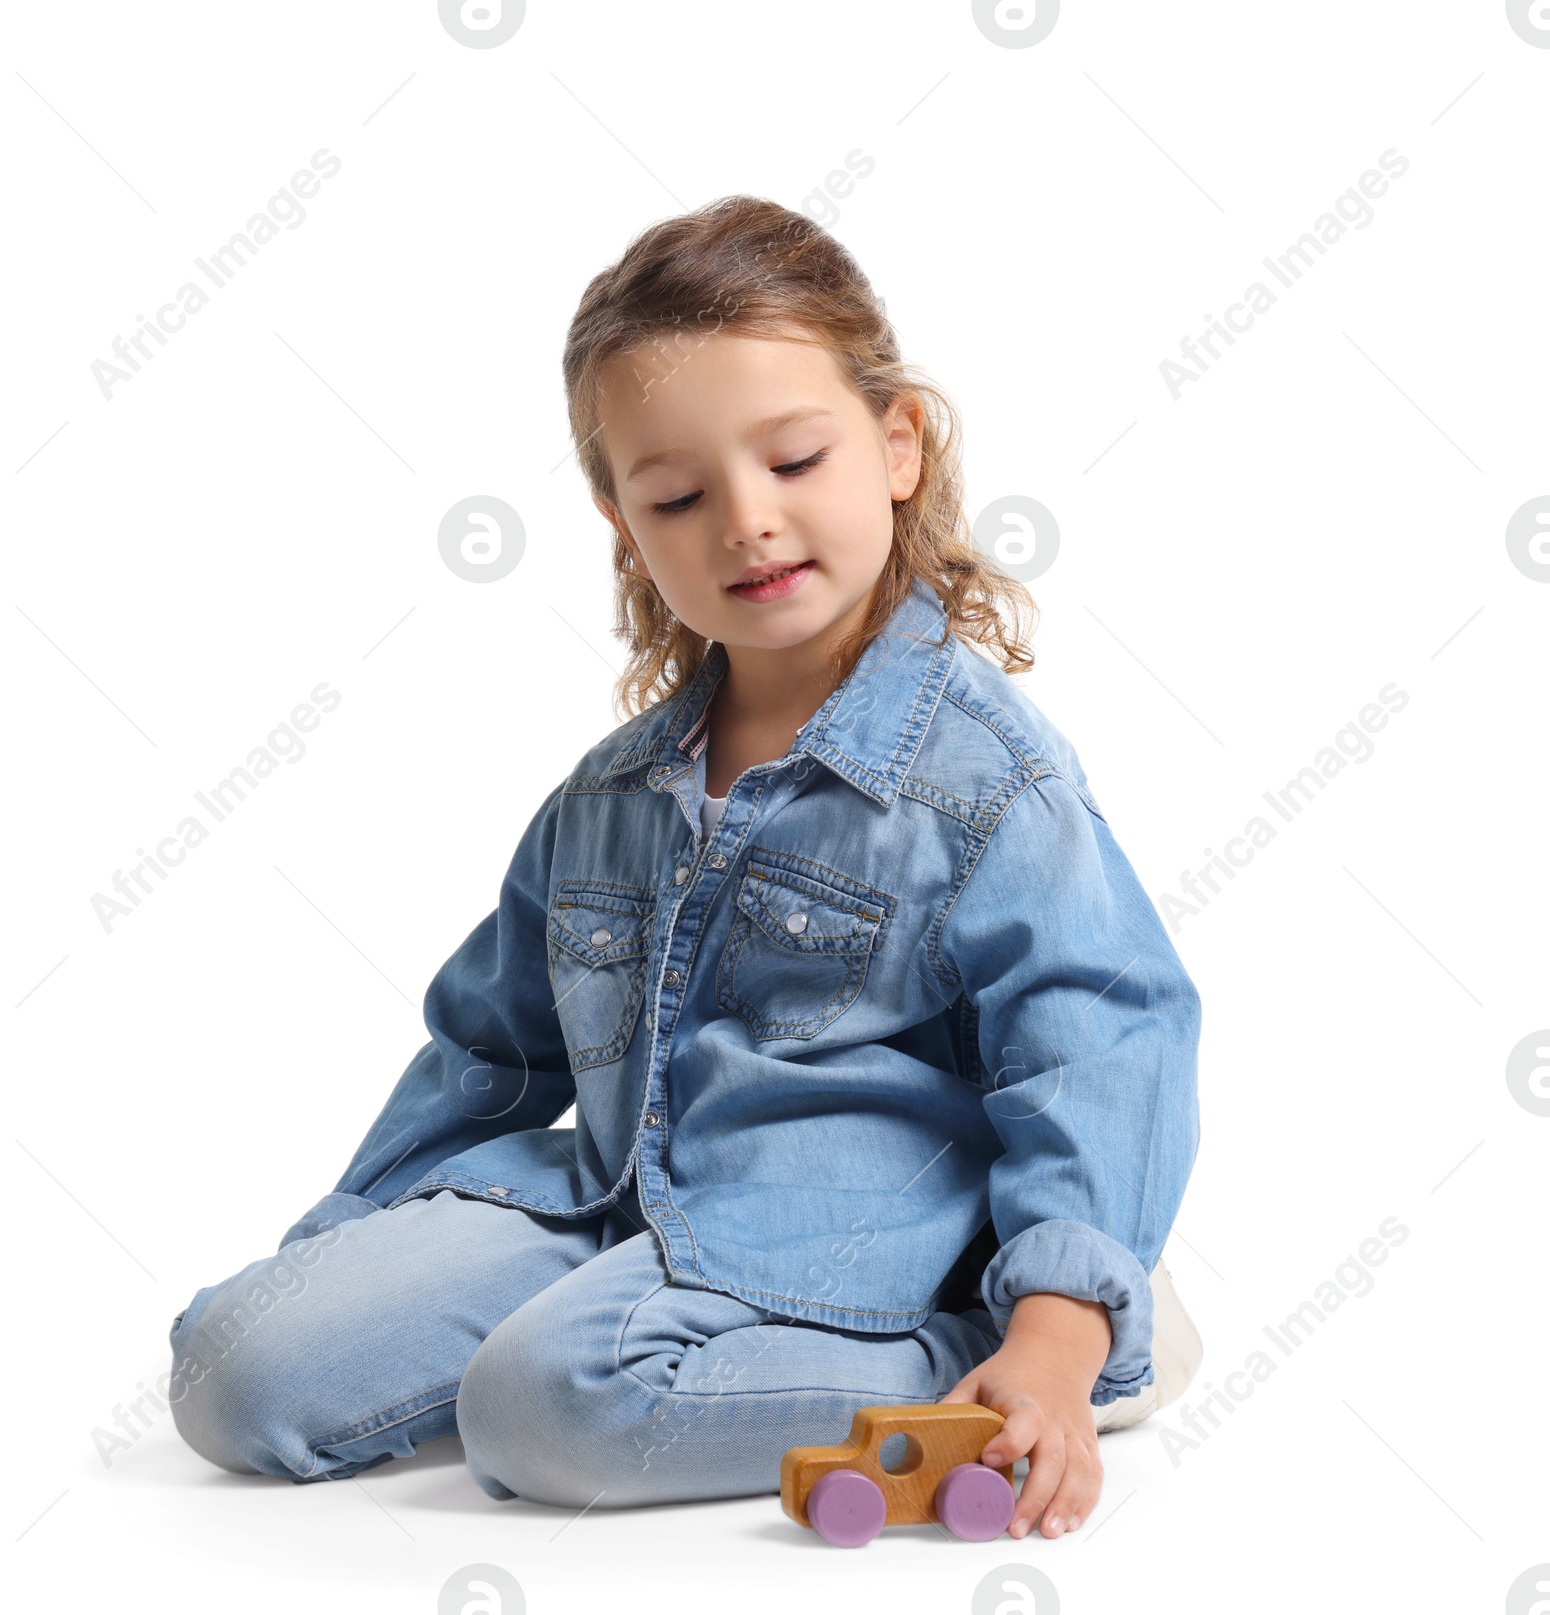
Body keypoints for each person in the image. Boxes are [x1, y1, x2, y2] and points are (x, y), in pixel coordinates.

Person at [167, 195, 1203, 1542]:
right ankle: (595, 1332)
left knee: (545, 1408)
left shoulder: (984, 779)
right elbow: (486, 1053)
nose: (748, 523)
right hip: (612, 1203)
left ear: (897, 446)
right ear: (622, 523)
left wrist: (1063, 1325)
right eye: (678, 494)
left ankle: (1032, 1350)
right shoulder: (610, 796)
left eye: (792, 461)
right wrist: (359, 1245)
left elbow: (1103, 1039)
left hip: (839, 1241)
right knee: (236, 1369)